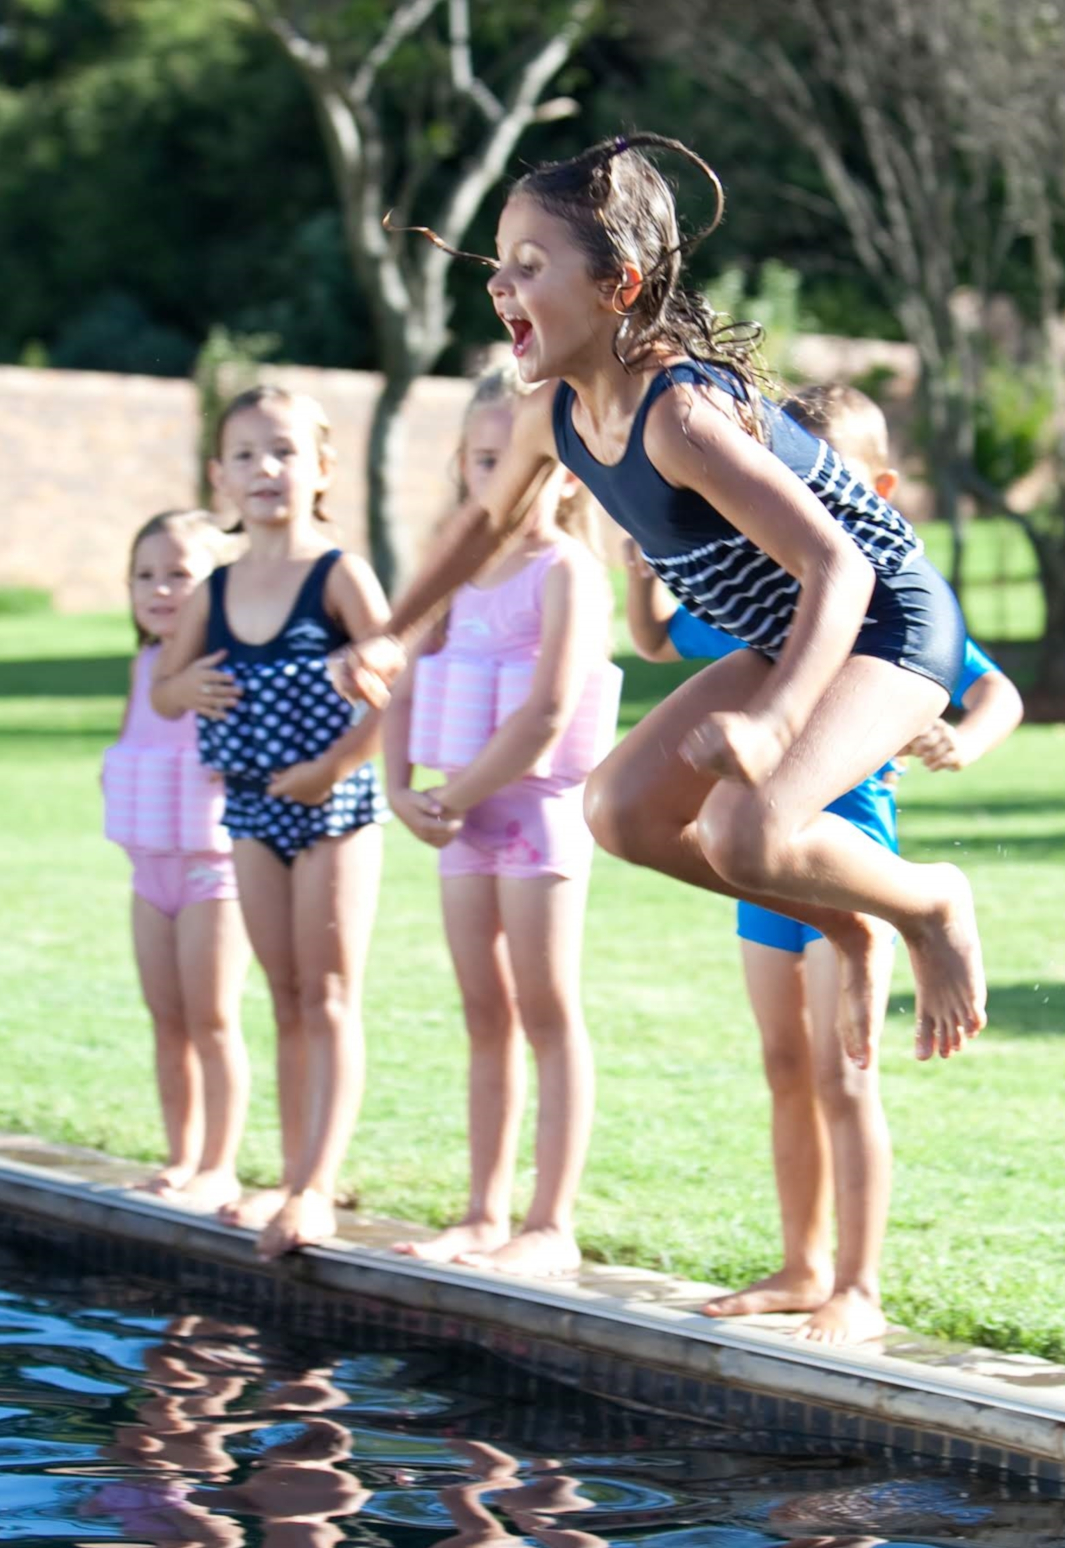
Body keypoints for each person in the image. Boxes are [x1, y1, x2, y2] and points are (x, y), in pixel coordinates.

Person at [336, 132, 986, 1070]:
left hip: (892, 623)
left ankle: (931, 902)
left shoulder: (679, 417)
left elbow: (838, 569)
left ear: (620, 287)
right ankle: (850, 926)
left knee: (745, 829)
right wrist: (394, 634)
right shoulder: (550, 415)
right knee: (623, 814)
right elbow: (483, 525)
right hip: (791, 632)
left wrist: (772, 722)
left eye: (529, 265)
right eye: (496, 266)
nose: (499, 284)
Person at [623, 383, 1023, 1343]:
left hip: (849, 856)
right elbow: (652, 637)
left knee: (845, 1078)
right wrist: (642, 547)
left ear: (871, 490)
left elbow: (993, 685)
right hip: (761, 879)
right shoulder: (763, 609)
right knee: (783, 1066)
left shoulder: (889, 615)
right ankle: (803, 1262)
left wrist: (963, 741)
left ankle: (859, 1282)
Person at [385, 366, 616, 1280]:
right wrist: (402, 787)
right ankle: (483, 1213)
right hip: (459, 826)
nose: (508, 479)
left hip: (535, 827)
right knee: (485, 1016)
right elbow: (401, 674)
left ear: (566, 474)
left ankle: (549, 1222)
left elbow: (546, 716)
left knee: (549, 1014)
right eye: (490, 461)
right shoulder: (453, 573)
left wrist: (457, 794)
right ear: (465, 467)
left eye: (528, 461)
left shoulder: (569, 575)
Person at [153, 386, 389, 1259]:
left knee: (329, 995)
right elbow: (163, 689)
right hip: (250, 807)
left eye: (285, 451)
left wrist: (332, 768)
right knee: (285, 996)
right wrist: (189, 689)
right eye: (246, 455)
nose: (265, 470)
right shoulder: (213, 590)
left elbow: (395, 687)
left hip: (334, 808)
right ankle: (291, 1174)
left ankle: (317, 1186)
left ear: (322, 467)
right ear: (220, 474)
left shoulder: (338, 575)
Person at [103, 510, 251, 1212]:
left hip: (211, 876)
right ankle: (180, 1155)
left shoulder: (225, 671)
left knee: (212, 1017)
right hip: (148, 874)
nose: (160, 589)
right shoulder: (142, 668)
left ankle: (220, 1164)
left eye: (179, 575)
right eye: (145, 575)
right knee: (165, 1017)